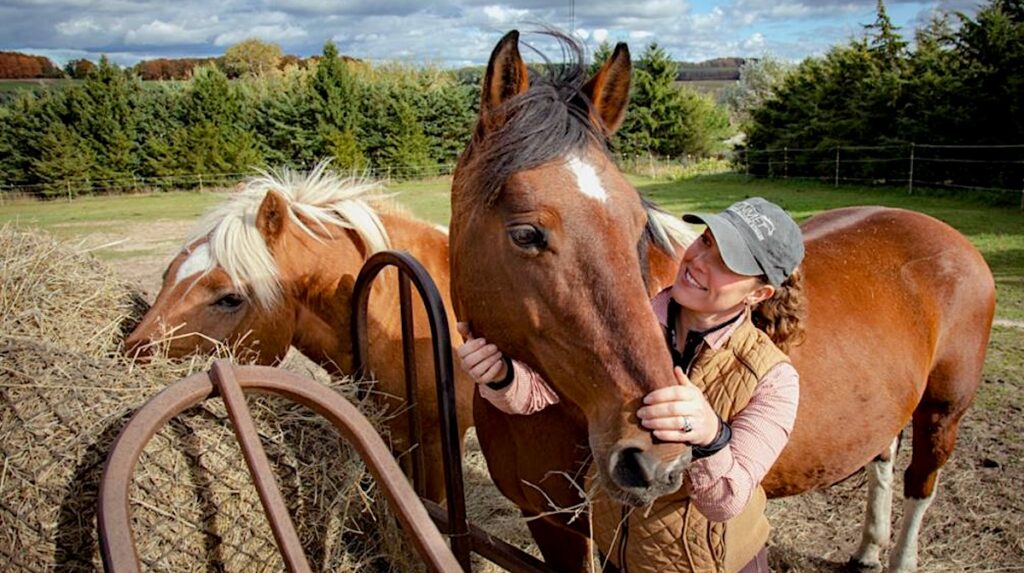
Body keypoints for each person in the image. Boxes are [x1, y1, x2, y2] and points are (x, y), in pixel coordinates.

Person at [457, 197, 807, 573]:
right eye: (706, 241)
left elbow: (725, 503)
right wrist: (502, 376)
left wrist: (710, 436)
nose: (698, 262)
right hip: (616, 556)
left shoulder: (773, 379)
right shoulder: (623, 325)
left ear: (759, 294)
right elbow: (544, 393)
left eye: (726, 263)